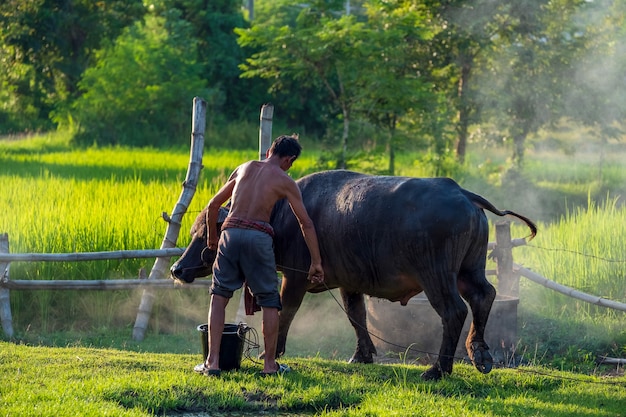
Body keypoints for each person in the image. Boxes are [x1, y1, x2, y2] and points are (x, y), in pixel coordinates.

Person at [194, 135, 324, 377]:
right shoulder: (286, 181)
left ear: (268, 152)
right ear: (289, 159)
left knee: (219, 297)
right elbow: (305, 223)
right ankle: (269, 366)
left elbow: (213, 206)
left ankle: (212, 363)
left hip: (230, 234)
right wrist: (316, 262)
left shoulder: (244, 168)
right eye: (291, 163)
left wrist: (213, 238)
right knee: (269, 302)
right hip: (258, 236)